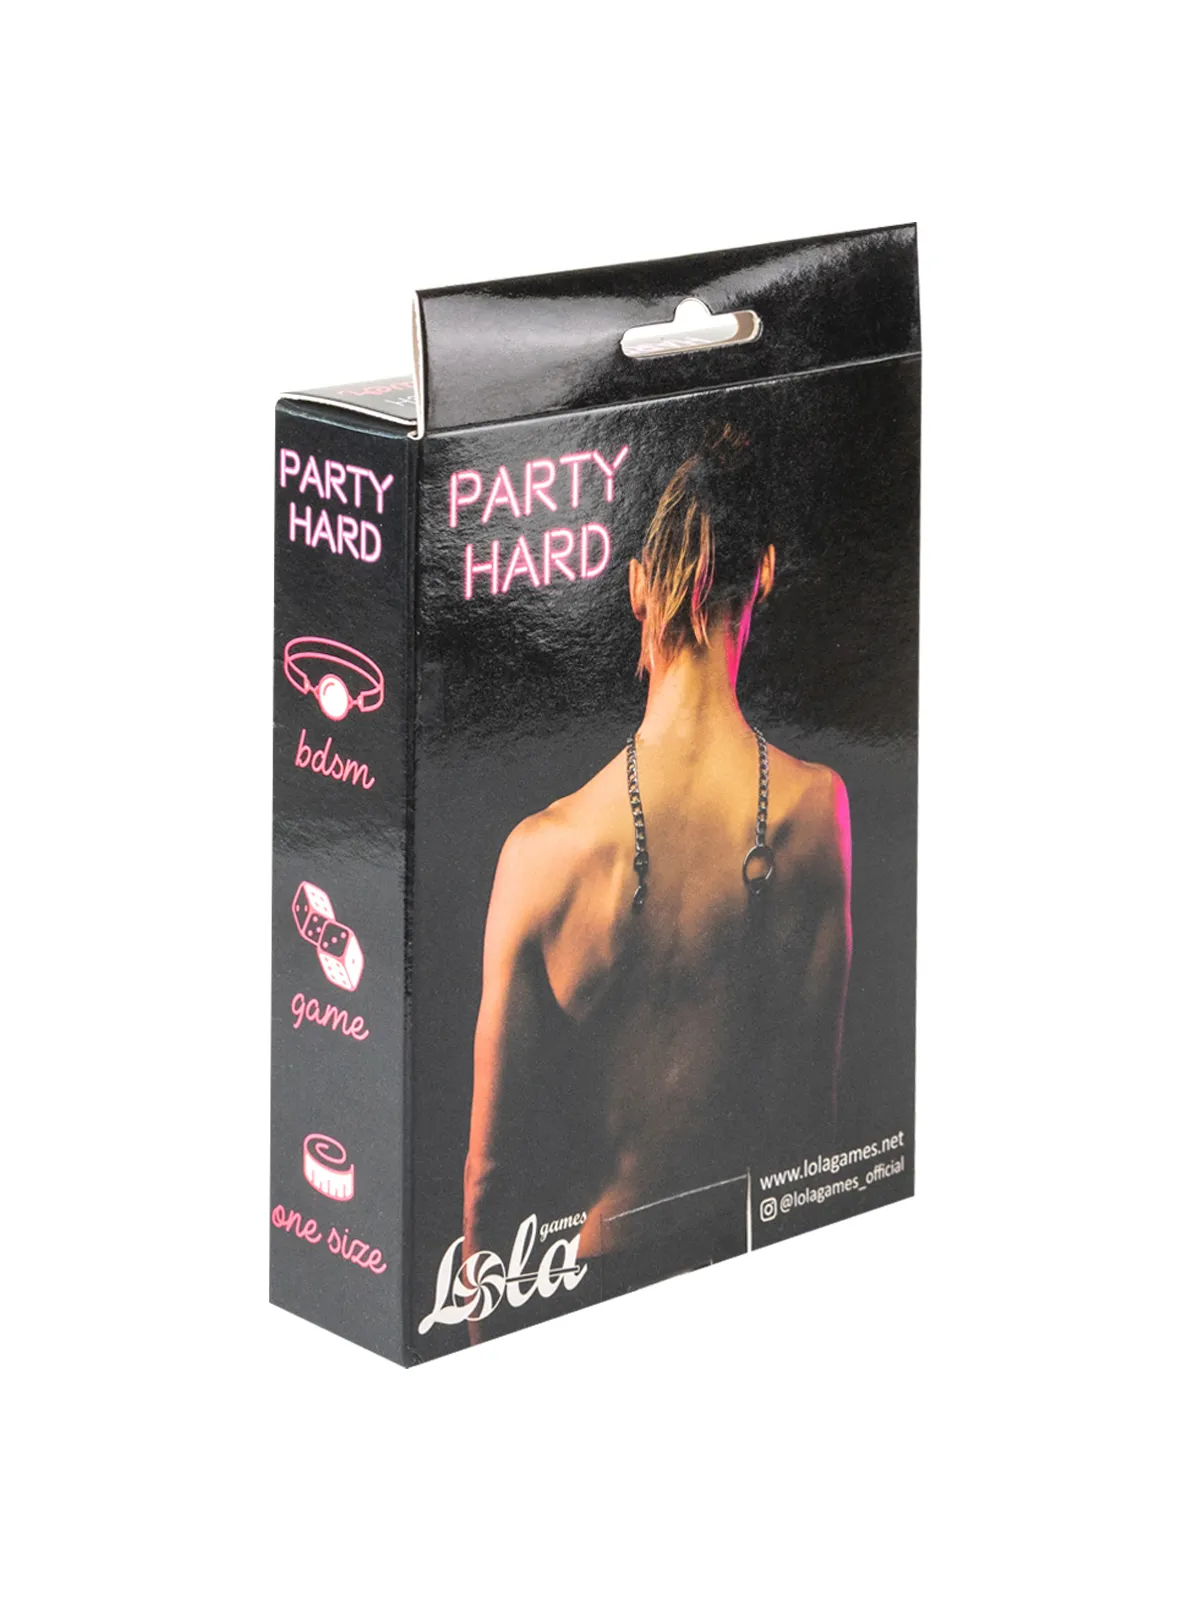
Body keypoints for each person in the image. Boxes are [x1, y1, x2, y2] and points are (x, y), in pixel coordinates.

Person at [463, 424, 852, 1327]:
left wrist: (481, 1354)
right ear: (764, 572)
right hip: (745, 1269)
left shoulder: (542, 855)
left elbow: (489, 1181)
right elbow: (817, 1129)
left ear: (636, 585)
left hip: (591, 1285)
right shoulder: (815, 813)